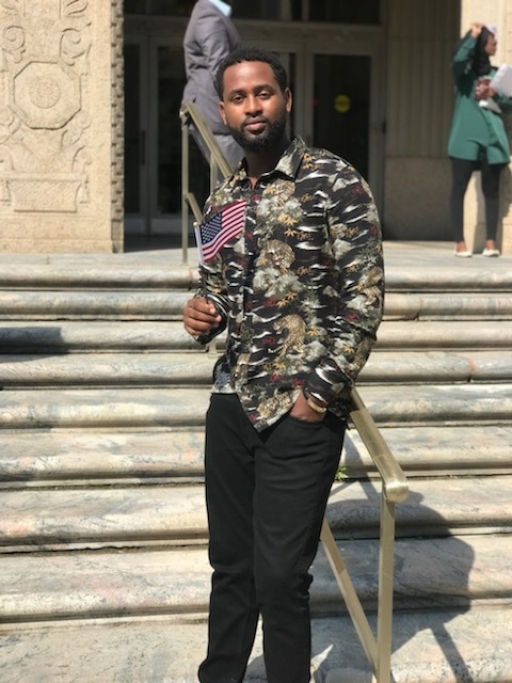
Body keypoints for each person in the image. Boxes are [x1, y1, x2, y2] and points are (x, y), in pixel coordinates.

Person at [182, 47, 384, 683]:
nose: (252, 107)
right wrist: (201, 311)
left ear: (287, 99)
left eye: (263, 93)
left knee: (280, 575)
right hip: (232, 402)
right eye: (239, 98)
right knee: (232, 569)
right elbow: (216, 286)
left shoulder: (334, 180)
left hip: (299, 408)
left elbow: (365, 297)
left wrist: (317, 395)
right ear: (224, 111)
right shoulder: (222, 198)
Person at [448, 22, 512, 257]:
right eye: (492, 41)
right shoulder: (464, 76)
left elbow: (508, 106)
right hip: (464, 139)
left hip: (492, 141)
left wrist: (498, 94)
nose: (495, 44)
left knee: (491, 190)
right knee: (459, 189)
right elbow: (458, 60)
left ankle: (490, 243)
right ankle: (460, 243)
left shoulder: (497, 75)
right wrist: (473, 36)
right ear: (481, 44)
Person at [182, 0, 244, 170]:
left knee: (231, 181)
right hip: (214, 112)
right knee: (232, 181)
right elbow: (220, 67)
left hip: (213, 111)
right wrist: (242, 102)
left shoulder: (209, 13)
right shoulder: (208, 15)